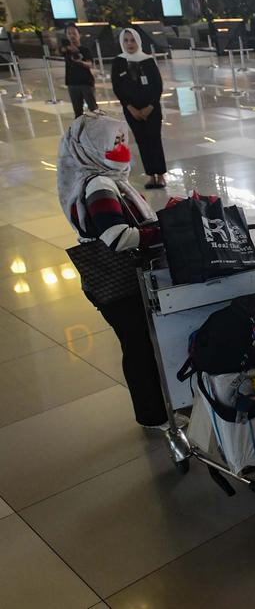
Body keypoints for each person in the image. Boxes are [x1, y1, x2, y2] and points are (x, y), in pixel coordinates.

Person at [57, 114, 167, 428]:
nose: (121, 148)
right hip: (120, 284)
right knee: (138, 347)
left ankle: (157, 408)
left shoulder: (104, 178)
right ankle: (152, 414)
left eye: (122, 140)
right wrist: (164, 231)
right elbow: (117, 238)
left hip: (123, 283)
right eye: (113, 142)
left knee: (140, 345)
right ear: (92, 146)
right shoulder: (98, 185)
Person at [111, 28, 166, 189]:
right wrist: (130, 108)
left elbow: (157, 85)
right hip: (131, 110)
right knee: (142, 141)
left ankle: (161, 174)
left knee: (154, 139)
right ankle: (151, 175)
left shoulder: (147, 60)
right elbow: (118, 88)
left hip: (152, 109)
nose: (130, 44)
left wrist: (150, 106)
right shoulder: (119, 61)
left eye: (132, 40)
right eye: (126, 40)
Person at [61, 24, 99, 118]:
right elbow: (58, 50)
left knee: (93, 108)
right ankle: (80, 130)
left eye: (74, 33)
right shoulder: (66, 50)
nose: (72, 36)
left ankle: (99, 128)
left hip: (86, 82)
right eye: (69, 34)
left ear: (79, 35)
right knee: (77, 111)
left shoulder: (85, 50)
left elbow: (90, 64)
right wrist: (68, 49)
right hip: (72, 83)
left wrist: (80, 61)